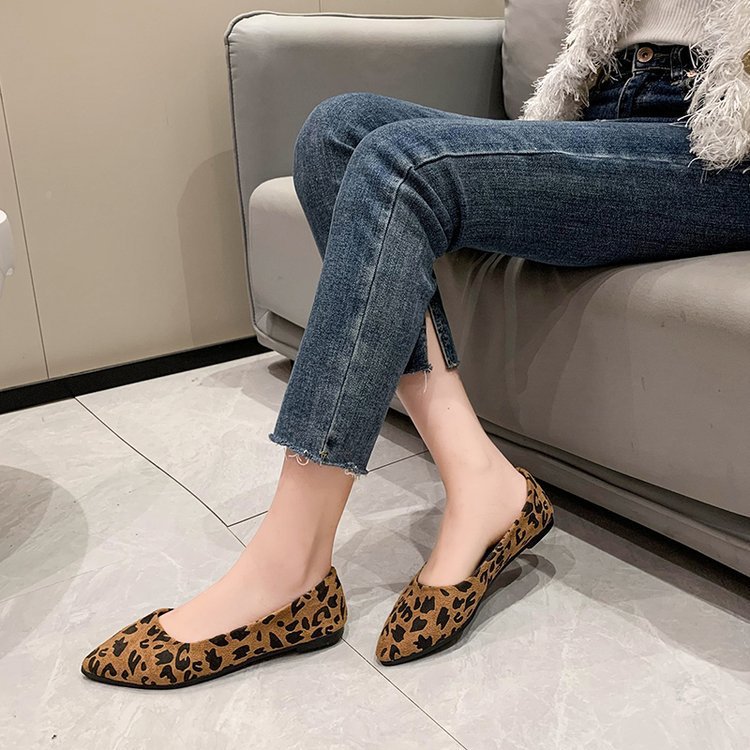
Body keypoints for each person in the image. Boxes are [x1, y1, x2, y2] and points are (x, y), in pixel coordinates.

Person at [81, 0, 750, 687]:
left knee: (400, 166)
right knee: (335, 132)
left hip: (720, 138)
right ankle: (480, 479)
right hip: (606, 104)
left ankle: (290, 566)